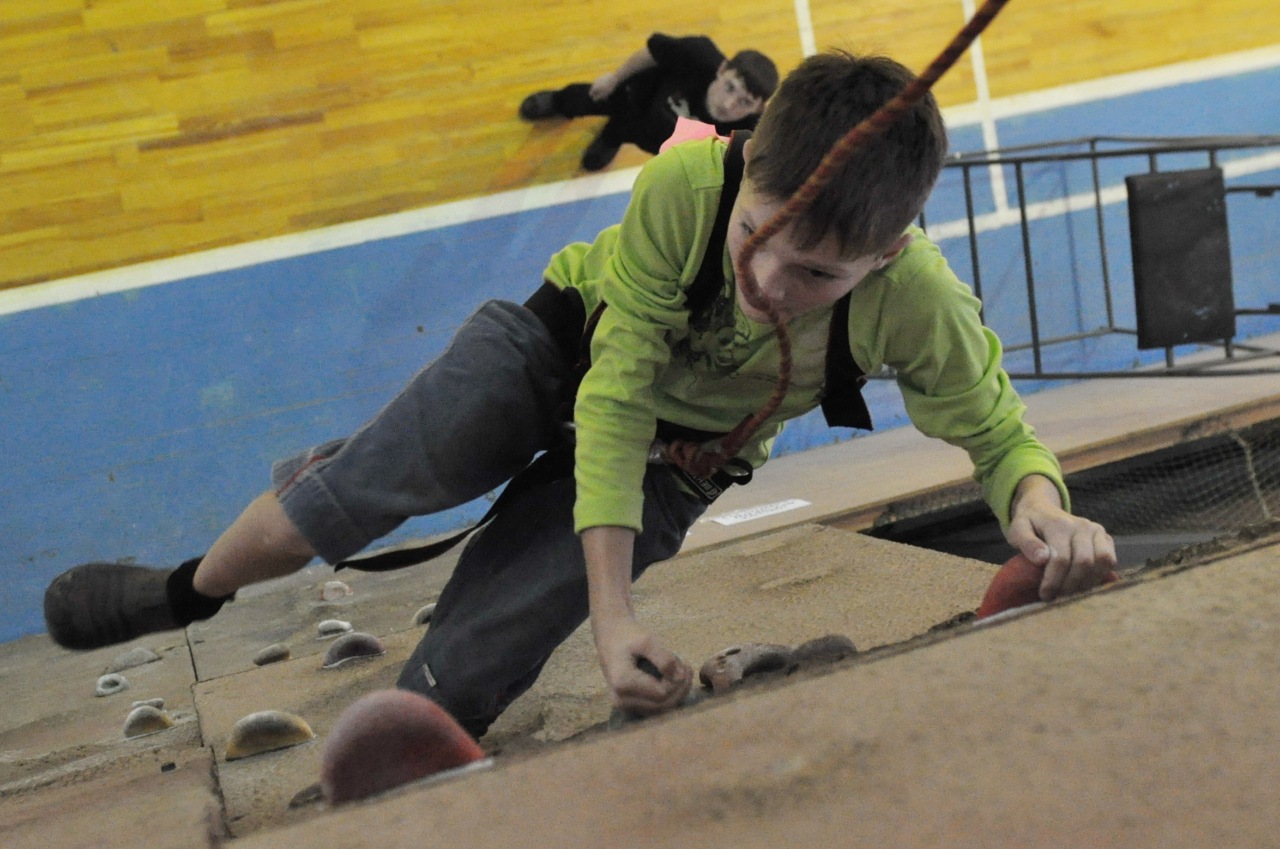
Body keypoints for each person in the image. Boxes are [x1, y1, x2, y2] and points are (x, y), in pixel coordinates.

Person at [44, 50, 1117, 740]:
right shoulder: (682, 187)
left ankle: (412, 735)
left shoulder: (919, 300)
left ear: (884, 257)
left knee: (473, 662)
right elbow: (613, 400)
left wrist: (1043, 511)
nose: (764, 282)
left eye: (815, 276)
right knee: (342, 502)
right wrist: (616, 615)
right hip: (554, 357)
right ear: (744, 159)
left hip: (682, 460)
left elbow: (998, 435)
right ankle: (187, 589)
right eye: (755, 234)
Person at [518, 33, 778, 171]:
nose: (728, 105)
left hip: (662, 139)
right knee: (585, 98)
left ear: (757, 108)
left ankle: (609, 140)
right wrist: (615, 78)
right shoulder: (696, 54)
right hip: (637, 96)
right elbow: (652, 52)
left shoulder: (749, 131)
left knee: (622, 132)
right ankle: (558, 101)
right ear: (722, 70)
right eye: (730, 87)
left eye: (744, 102)